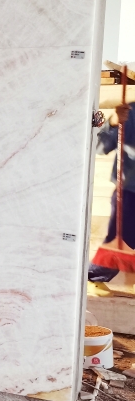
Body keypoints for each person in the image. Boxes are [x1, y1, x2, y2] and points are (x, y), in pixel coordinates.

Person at [89, 98, 135, 283]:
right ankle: (93, 279)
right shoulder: (131, 113)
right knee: (121, 243)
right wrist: (115, 122)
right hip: (131, 192)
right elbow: (99, 147)